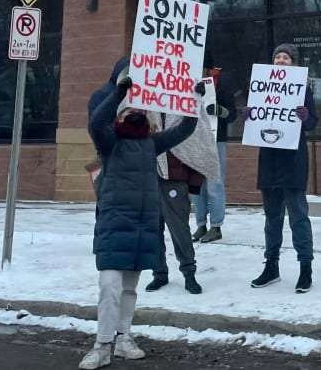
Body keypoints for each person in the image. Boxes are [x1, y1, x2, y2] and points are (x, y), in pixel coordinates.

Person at [81, 57, 197, 369]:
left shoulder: (152, 143)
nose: (136, 113)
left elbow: (186, 128)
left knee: (129, 288)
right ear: (119, 114)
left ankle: (124, 338)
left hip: (142, 224)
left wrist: (193, 98)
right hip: (114, 222)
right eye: (130, 109)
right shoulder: (110, 142)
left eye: (140, 109)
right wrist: (119, 92)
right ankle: (102, 344)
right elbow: (95, 123)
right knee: (109, 285)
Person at [251, 43, 319, 293]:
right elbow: (254, 119)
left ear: (294, 63)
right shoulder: (262, 87)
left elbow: (313, 123)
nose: (281, 60)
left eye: (286, 58)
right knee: (272, 218)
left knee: (298, 217)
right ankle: (271, 266)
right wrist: (249, 115)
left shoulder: (302, 89)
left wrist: (305, 117)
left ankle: (305, 268)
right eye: (277, 56)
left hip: (293, 161)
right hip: (269, 159)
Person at [145, 81, 222, 296]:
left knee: (179, 228)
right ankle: (158, 273)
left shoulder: (183, 98)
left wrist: (195, 98)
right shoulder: (143, 99)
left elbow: (196, 132)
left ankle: (189, 273)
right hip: (147, 173)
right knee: (152, 228)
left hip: (174, 174)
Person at [192, 53, 237, 244]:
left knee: (214, 184)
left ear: (208, 70)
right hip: (193, 139)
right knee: (195, 185)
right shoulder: (188, 85)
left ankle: (216, 225)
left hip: (216, 139)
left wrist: (220, 111)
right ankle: (201, 223)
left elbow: (233, 115)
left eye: (201, 68)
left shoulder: (222, 87)